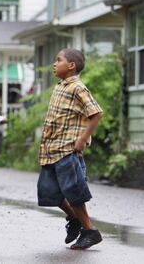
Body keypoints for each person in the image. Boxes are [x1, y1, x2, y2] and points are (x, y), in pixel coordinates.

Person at [37, 48, 103, 250]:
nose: (54, 64)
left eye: (58, 60)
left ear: (71, 65)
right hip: (50, 151)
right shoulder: (60, 87)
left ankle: (90, 231)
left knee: (73, 192)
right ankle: (74, 220)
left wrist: (83, 138)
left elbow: (96, 113)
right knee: (48, 193)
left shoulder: (77, 88)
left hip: (67, 150)